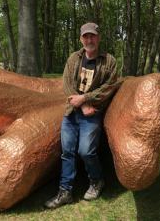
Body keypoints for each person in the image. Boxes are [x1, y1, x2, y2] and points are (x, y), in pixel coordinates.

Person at [45, 22, 118, 209]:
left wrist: (86, 99)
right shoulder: (74, 58)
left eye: (92, 36)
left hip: (92, 114)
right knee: (67, 152)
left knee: (86, 151)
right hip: (71, 112)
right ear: (80, 39)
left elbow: (108, 88)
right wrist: (82, 103)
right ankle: (65, 191)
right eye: (85, 36)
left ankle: (97, 180)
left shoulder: (109, 61)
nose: (89, 40)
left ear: (99, 37)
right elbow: (67, 82)